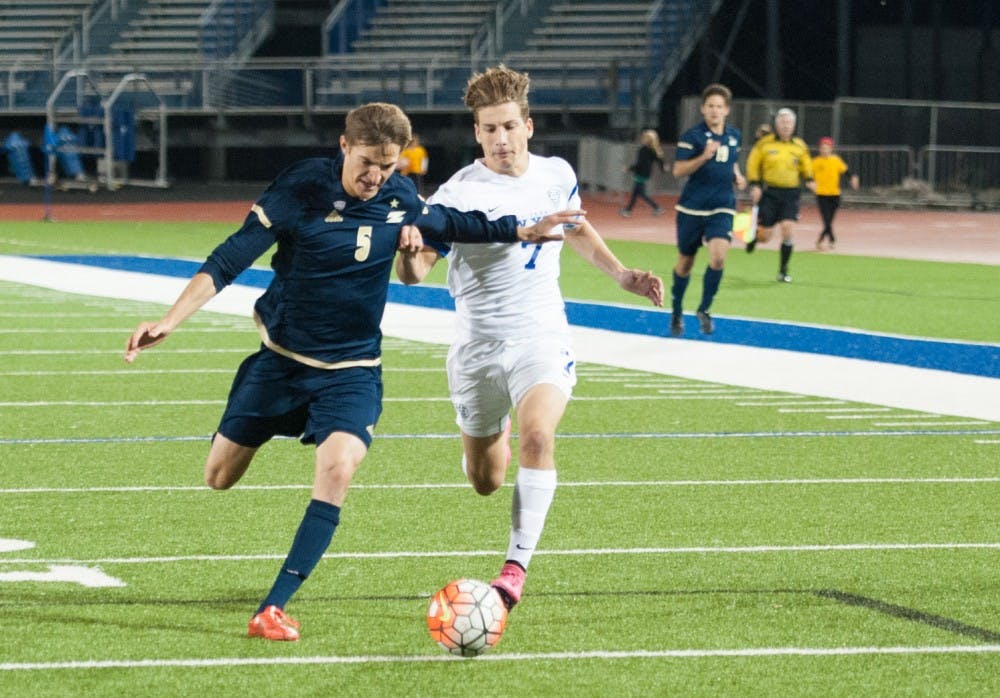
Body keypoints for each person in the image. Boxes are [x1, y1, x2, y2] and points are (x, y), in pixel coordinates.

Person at [122, 102, 580, 642]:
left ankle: (273, 606)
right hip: (281, 362)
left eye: (387, 167)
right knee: (218, 477)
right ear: (344, 146)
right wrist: (170, 320)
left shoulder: (398, 195)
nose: (375, 177)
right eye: (367, 163)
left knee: (339, 467)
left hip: (353, 370)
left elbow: (455, 224)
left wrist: (524, 231)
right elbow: (230, 257)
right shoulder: (300, 190)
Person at [394, 64, 663, 613]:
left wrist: (622, 274)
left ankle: (514, 570)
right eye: (489, 129)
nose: (500, 140)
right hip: (477, 347)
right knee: (486, 480)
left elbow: (576, 225)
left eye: (509, 127)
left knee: (538, 437)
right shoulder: (457, 193)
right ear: (476, 133)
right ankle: (491, 434)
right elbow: (417, 272)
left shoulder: (555, 173)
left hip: (540, 334)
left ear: (529, 127)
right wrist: (406, 254)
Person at [669, 83, 746, 336]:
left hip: (722, 205)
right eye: (710, 106)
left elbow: (730, 162)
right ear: (703, 109)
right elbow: (678, 170)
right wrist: (703, 156)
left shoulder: (734, 135)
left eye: (719, 106)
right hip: (692, 207)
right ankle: (677, 309)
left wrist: (737, 176)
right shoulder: (692, 137)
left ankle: (704, 308)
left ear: (726, 110)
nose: (715, 111)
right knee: (685, 264)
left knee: (718, 257)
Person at [745, 107, 816, 282]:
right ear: (776, 124)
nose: (786, 125)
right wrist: (754, 184)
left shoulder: (799, 145)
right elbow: (753, 163)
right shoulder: (765, 143)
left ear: (794, 125)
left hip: (791, 193)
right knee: (766, 236)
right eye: (782, 122)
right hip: (770, 192)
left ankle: (783, 270)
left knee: (787, 229)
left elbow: (806, 165)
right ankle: (753, 236)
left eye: (789, 122)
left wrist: (809, 179)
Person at [812, 136, 859, 250]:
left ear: (831, 149)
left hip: (834, 194)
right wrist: (810, 183)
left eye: (827, 148)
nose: (825, 150)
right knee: (826, 218)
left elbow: (846, 171)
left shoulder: (836, 160)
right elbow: (808, 174)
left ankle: (823, 236)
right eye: (823, 148)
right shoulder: (815, 162)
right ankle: (831, 238)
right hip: (821, 194)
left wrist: (853, 178)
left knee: (830, 219)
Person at [619, 129, 666, 217]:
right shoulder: (653, 150)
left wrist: (629, 168)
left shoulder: (643, 150)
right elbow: (660, 161)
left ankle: (657, 207)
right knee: (636, 193)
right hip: (645, 174)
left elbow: (640, 164)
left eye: (644, 137)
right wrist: (663, 168)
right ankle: (628, 210)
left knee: (640, 193)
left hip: (641, 174)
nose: (642, 138)